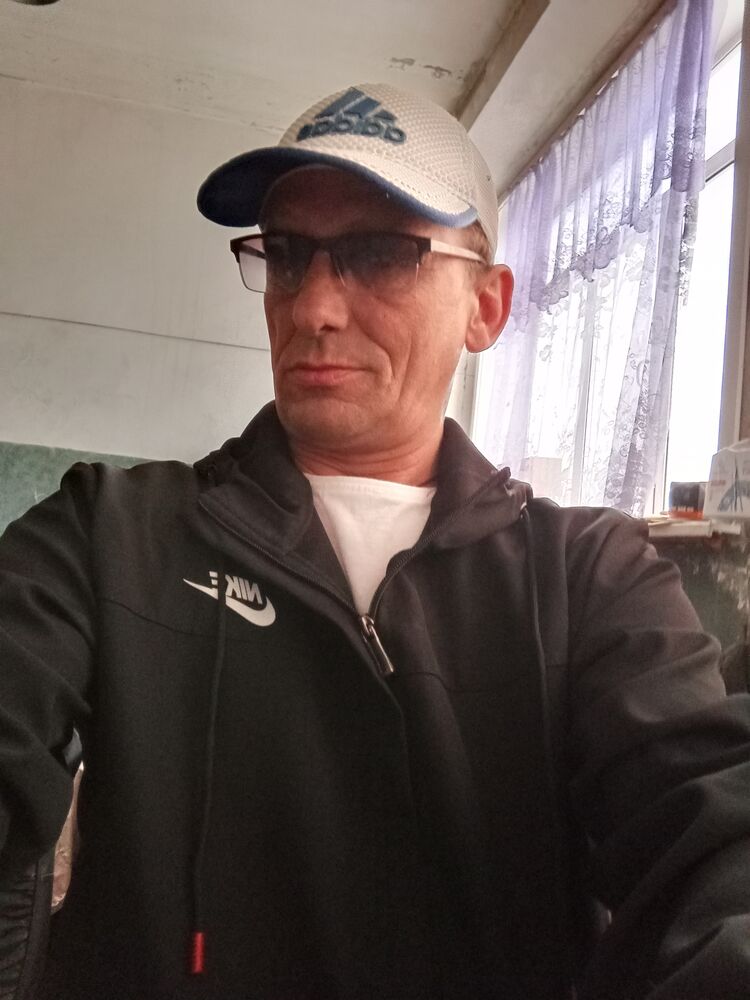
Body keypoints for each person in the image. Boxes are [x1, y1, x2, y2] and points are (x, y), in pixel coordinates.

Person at [1, 82, 749, 1000]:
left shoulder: (589, 577)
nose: (312, 307)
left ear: (486, 307)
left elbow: (706, 831)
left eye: (381, 255)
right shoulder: (110, 533)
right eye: (286, 256)